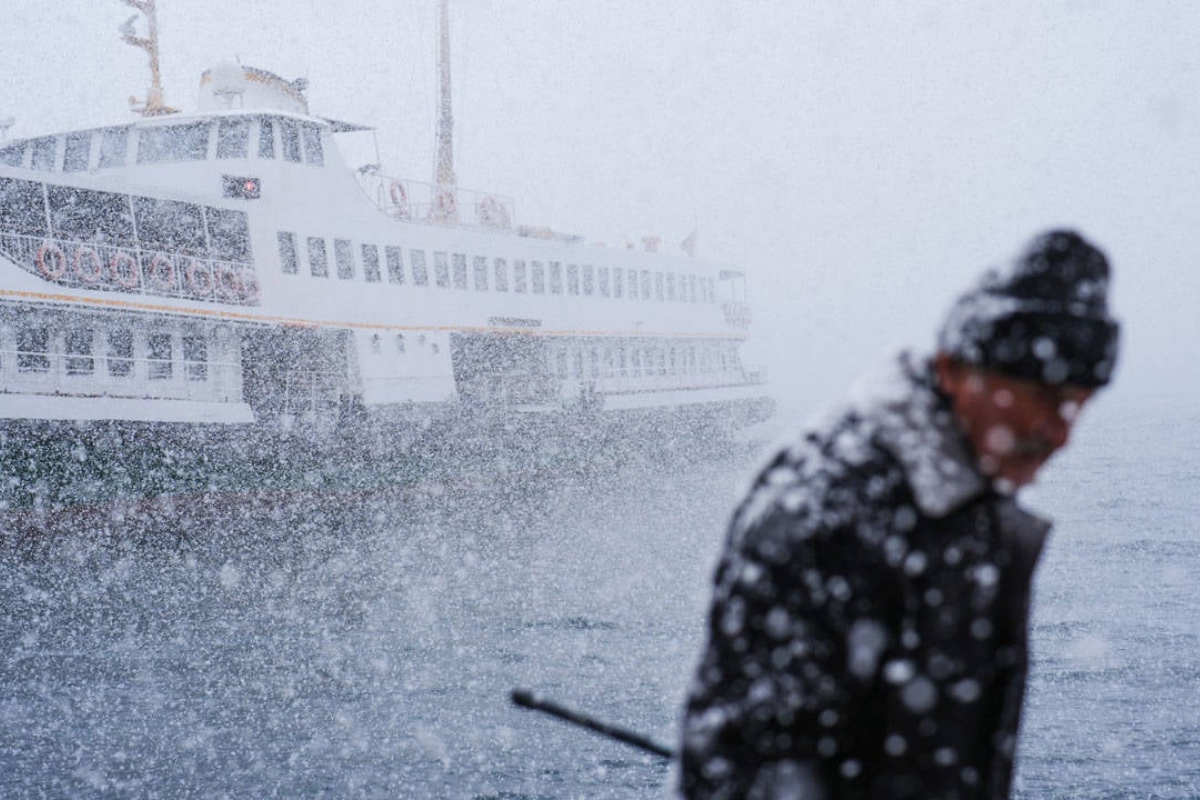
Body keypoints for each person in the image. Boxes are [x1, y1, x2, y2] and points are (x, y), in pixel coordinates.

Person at [677, 230, 1120, 799]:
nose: (1060, 434)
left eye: (1077, 405)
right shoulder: (827, 512)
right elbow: (742, 768)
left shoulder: (960, 494)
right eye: (1039, 398)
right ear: (953, 371)